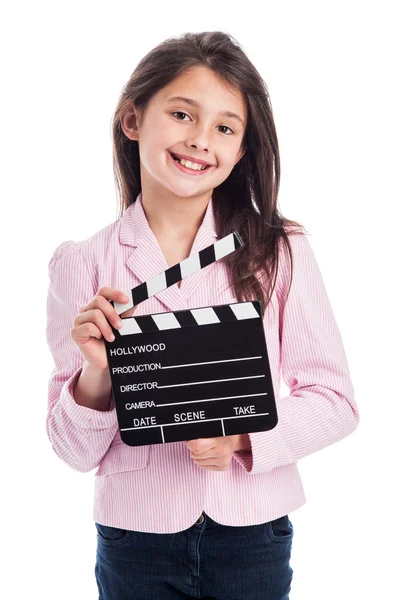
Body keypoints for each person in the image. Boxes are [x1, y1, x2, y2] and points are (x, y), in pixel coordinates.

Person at [45, 31, 360, 600]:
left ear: (241, 150)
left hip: (253, 531)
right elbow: (72, 451)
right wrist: (96, 374)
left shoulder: (278, 250)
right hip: (134, 537)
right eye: (182, 114)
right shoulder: (84, 263)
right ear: (133, 119)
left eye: (224, 127)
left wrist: (243, 437)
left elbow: (335, 400)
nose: (199, 140)